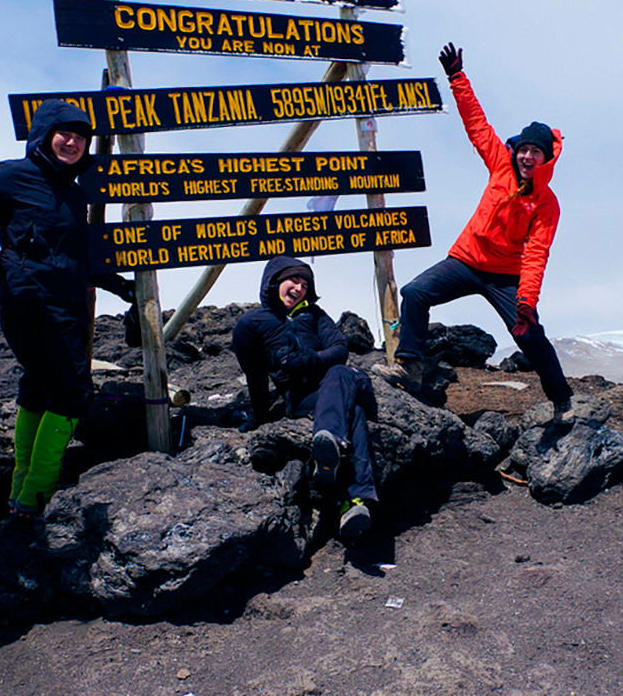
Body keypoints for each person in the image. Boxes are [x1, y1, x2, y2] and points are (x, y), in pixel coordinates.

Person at [374, 43, 575, 425]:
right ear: (516, 151)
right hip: (466, 260)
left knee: (529, 334)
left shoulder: (547, 204)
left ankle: (563, 399)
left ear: (547, 158)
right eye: (524, 149)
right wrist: (457, 78)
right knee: (415, 293)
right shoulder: (500, 163)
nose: (528, 156)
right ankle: (410, 367)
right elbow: (477, 125)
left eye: (537, 152)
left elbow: (536, 254)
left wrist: (526, 303)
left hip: (506, 276)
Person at [0, 99, 133, 518]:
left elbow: (79, 255)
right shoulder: (12, 175)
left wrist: (123, 288)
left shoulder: (73, 192)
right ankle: (38, 494)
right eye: (64, 133)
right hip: (28, 300)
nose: (73, 142)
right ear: (43, 134)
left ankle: (20, 491)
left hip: (68, 304)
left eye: (81, 138)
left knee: (40, 389)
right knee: (72, 393)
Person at [232, 256, 378, 538]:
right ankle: (355, 502)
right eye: (293, 281)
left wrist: (310, 359)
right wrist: (260, 418)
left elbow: (339, 348)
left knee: (339, 372)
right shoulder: (250, 324)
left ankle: (329, 441)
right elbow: (256, 376)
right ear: (275, 282)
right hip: (303, 398)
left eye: (304, 284)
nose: (299, 288)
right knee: (354, 414)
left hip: (342, 380)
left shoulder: (315, 314)